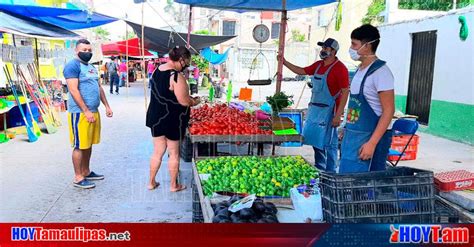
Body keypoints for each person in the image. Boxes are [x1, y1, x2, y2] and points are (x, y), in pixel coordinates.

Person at [279, 38, 350, 172]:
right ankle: (319, 168)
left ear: (334, 51)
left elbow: (346, 92)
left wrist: (338, 115)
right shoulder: (318, 65)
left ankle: (330, 172)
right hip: (315, 110)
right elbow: (301, 71)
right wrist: (284, 62)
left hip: (330, 111)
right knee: (316, 141)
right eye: (322, 48)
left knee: (329, 143)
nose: (322, 51)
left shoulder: (340, 69)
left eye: (326, 48)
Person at [339, 24, 395, 173]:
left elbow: (389, 111)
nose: (351, 48)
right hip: (353, 137)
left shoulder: (381, 73)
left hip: (371, 138)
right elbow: (354, 105)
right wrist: (346, 127)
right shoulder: (359, 70)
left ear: (367, 46)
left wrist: (372, 143)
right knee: (348, 182)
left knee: (366, 187)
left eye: (354, 44)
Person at [146, 46, 200, 192]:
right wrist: (195, 101)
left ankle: (151, 182)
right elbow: (184, 101)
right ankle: (173, 185)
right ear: (181, 60)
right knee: (174, 153)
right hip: (171, 119)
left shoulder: (157, 70)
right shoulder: (176, 76)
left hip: (156, 116)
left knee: (158, 151)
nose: (187, 66)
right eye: (187, 62)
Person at [63, 39, 113, 189]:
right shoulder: (72, 66)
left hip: (93, 111)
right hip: (80, 113)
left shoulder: (91, 67)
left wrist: (107, 106)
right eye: (84, 50)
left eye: (89, 50)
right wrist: (85, 110)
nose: (87, 53)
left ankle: (86, 170)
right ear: (76, 50)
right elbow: (73, 90)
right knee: (79, 145)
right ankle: (78, 177)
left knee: (88, 143)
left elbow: (99, 87)